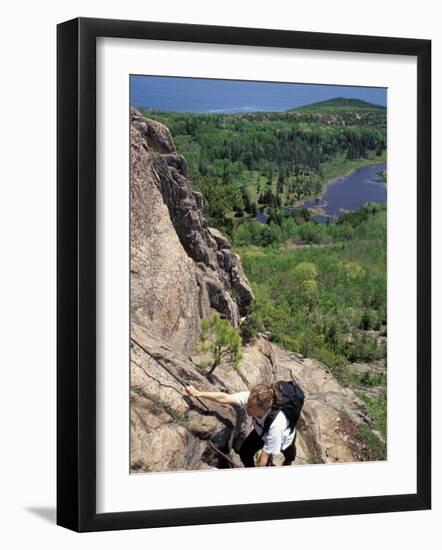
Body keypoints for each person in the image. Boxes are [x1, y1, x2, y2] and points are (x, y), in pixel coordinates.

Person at [184, 383, 297, 467]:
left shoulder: (277, 425)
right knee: (245, 453)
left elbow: (264, 457)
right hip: (260, 431)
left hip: (284, 438)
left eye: (251, 408)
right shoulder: (253, 398)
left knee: (288, 452)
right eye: (248, 404)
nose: (247, 408)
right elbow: (225, 398)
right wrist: (198, 393)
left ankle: (289, 461)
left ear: (263, 409)